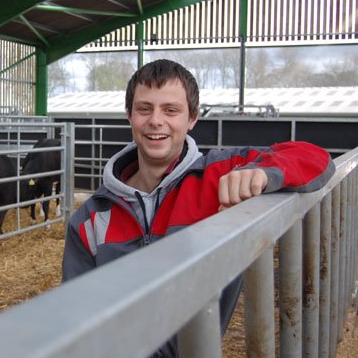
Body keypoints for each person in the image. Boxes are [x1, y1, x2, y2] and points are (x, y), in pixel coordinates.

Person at [61, 59, 335, 357]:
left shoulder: (219, 176)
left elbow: (314, 156)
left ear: (192, 118)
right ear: (129, 115)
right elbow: (75, 314)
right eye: (144, 109)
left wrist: (263, 174)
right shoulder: (90, 217)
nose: (156, 120)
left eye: (171, 110)